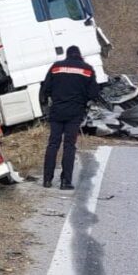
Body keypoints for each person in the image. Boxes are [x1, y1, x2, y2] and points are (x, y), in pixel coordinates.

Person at [39, 45, 99, 190]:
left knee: (53, 144)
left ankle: (47, 180)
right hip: (75, 113)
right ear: (79, 55)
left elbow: (44, 89)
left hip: (57, 112)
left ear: (67, 55)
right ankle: (66, 181)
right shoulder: (87, 69)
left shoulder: (56, 67)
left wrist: (45, 106)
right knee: (69, 146)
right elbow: (94, 94)